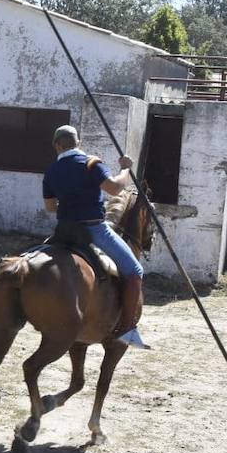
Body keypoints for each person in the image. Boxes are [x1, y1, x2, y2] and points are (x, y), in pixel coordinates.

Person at [42, 125, 146, 348]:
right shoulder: (91, 164)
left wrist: (70, 201)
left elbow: (51, 207)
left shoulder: (51, 171)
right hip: (94, 230)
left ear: (57, 146)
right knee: (136, 271)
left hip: (64, 231)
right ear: (78, 143)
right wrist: (126, 169)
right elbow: (115, 189)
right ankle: (127, 328)